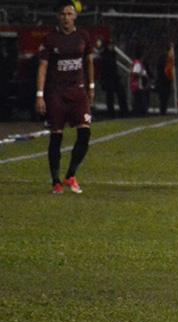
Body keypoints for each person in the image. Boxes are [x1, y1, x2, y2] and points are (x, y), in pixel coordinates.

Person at [35, 0, 94, 194]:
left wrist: (91, 87)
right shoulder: (51, 39)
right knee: (56, 137)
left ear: (75, 16)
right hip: (56, 93)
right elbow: (42, 67)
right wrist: (40, 95)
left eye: (69, 14)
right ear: (58, 17)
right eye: (63, 14)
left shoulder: (83, 36)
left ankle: (70, 175)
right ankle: (56, 181)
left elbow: (89, 62)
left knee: (85, 134)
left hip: (78, 92)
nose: (66, 18)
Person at [99, 37, 128, 118]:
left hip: (114, 77)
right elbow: (104, 69)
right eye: (110, 45)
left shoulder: (112, 54)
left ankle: (123, 111)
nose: (111, 46)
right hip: (108, 78)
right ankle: (111, 113)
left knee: (121, 94)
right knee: (110, 96)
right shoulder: (105, 55)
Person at [156, 42, 175, 115]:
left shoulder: (167, 57)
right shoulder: (165, 57)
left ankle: (163, 111)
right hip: (163, 80)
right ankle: (162, 112)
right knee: (163, 96)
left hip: (165, 80)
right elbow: (166, 69)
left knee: (165, 97)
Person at [129, 47, 149, 116]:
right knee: (139, 100)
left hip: (138, 85)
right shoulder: (138, 63)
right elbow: (135, 73)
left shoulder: (139, 63)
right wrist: (143, 75)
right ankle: (138, 113)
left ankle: (139, 112)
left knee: (139, 100)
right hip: (137, 85)